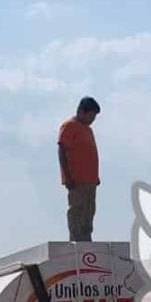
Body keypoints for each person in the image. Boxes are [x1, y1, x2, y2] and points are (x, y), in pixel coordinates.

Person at [58, 97, 101, 241]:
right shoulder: (69, 126)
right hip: (76, 180)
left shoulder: (88, 130)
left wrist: (96, 177)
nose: (92, 120)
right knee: (77, 210)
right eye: (91, 116)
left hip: (90, 180)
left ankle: (86, 240)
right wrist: (67, 176)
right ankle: (76, 240)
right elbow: (62, 151)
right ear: (82, 111)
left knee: (89, 212)